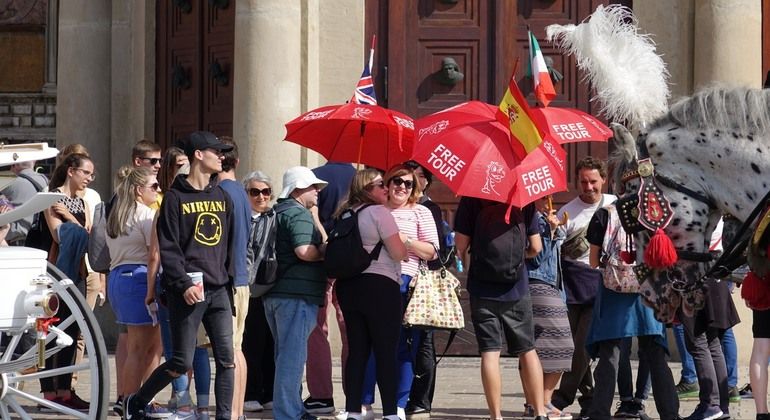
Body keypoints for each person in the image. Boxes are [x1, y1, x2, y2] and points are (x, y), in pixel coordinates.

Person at [124, 130, 236, 420]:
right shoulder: (174, 198)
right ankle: (136, 402)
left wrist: (230, 279)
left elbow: (231, 242)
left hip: (219, 289)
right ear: (199, 155)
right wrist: (182, 283)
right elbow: (168, 248)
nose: (222, 156)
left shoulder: (222, 196)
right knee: (180, 360)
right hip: (186, 290)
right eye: (216, 152)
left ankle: (223, 416)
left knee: (227, 360)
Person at [583, 202, 679, 420]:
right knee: (656, 354)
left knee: (610, 354)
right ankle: (670, 414)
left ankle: (599, 413)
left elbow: (593, 261)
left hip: (614, 292)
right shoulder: (658, 212)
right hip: (649, 292)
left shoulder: (604, 214)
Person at [454, 196, 547, 420]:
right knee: (527, 349)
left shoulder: (471, 197)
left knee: (490, 352)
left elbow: (460, 245)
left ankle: (496, 416)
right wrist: (516, 259)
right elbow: (536, 247)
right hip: (517, 286)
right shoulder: (523, 197)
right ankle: (541, 413)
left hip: (482, 286)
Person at [358, 164, 439, 420]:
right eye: (396, 182)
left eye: (408, 183)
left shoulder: (421, 212)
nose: (401, 187)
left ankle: (399, 405)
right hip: (374, 281)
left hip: (408, 282)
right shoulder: (372, 211)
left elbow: (432, 252)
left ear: (415, 188)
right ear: (386, 185)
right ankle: (365, 404)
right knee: (370, 344)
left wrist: (404, 239)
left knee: (405, 346)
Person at [335, 168, 408, 420]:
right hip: (380, 286)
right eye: (380, 185)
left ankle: (353, 410)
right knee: (386, 350)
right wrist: (404, 245)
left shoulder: (344, 213)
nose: (386, 189)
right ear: (366, 190)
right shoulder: (379, 213)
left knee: (357, 351)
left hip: (348, 287)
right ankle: (390, 413)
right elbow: (399, 253)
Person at [551, 156, 615, 418]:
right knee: (574, 347)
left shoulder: (614, 205)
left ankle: (560, 399)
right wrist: (554, 229)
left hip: (601, 283)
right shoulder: (566, 211)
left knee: (583, 346)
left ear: (604, 180)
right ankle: (589, 400)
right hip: (572, 285)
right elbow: (555, 251)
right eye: (583, 182)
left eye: (593, 182)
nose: (588, 187)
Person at [265, 166, 328, 420]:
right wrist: (326, 251)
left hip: (275, 293)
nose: (317, 191)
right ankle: (288, 413)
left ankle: (293, 408)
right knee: (292, 358)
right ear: (299, 188)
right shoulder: (298, 214)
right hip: (296, 294)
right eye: (313, 187)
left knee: (285, 355)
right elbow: (304, 251)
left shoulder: (276, 211)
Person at [105, 166, 165, 416]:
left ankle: (132, 400)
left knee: (141, 348)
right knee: (143, 349)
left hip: (119, 277)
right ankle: (134, 402)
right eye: (154, 186)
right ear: (139, 190)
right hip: (140, 278)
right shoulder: (146, 215)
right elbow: (154, 255)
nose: (159, 190)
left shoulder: (117, 214)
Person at [39, 152, 94, 411]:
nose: (89, 179)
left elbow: (89, 236)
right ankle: (50, 393)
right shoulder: (52, 198)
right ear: (71, 171)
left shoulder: (80, 202)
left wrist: (71, 218)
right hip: (56, 274)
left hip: (79, 272)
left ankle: (65, 390)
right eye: (86, 172)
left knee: (73, 331)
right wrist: (72, 224)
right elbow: (59, 236)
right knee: (52, 331)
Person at [304, 161, 355, 416]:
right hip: (351, 265)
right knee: (350, 328)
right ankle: (356, 395)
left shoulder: (316, 177)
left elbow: (310, 216)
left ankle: (321, 395)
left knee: (317, 329)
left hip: (321, 263)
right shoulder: (360, 178)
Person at [403, 160, 453, 418]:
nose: (413, 180)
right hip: (401, 280)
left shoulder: (429, 208)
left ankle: (421, 399)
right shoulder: (396, 206)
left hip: (424, 284)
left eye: (420, 175)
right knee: (404, 341)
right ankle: (402, 398)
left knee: (424, 341)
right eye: (408, 175)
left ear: (427, 181)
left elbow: (435, 252)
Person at [522, 197, 573, 420]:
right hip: (538, 284)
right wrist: (550, 232)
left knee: (535, 348)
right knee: (563, 345)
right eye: (544, 197)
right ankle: (542, 403)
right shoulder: (534, 218)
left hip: (549, 285)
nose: (549, 200)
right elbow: (536, 258)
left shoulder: (542, 218)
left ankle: (534, 404)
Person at [215, 137, 252, 420]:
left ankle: (234, 413)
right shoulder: (240, 192)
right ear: (237, 162)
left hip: (227, 280)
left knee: (229, 353)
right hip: (241, 276)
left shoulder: (220, 192)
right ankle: (236, 412)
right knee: (236, 351)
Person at [242, 171, 277, 413]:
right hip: (246, 287)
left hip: (271, 284)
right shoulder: (240, 217)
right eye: (255, 192)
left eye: (266, 192)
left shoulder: (276, 217)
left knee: (270, 343)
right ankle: (250, 392)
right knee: (250, 343)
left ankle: (269, 392)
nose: (261, 196)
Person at [1, 159, 48, 245]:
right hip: (37, 238)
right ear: (34, 162)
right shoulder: (44, 181)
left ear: (15, 164)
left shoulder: (8, 181)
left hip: (13, 240)